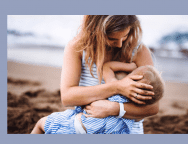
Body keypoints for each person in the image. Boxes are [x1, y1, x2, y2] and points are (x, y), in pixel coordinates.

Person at [31, 15, 160, 134]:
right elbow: (67, 97)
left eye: (125, 36)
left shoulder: (138, 51)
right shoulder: (78, 48)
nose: (120, 44)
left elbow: (153, 107)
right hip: (86, 124)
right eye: (112, 38)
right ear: (95, 31)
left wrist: (115, 108)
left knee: (43, 123)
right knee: (43, 123)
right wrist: (118, 87)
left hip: (126, 130)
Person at [31, 61, 164, 134]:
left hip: (78, 127)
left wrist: (130, 66)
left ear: (132, 79)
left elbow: (107, 66)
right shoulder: (136, 112)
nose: (128, 73)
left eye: (132, 73)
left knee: (41, 123)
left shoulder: (116, 87)